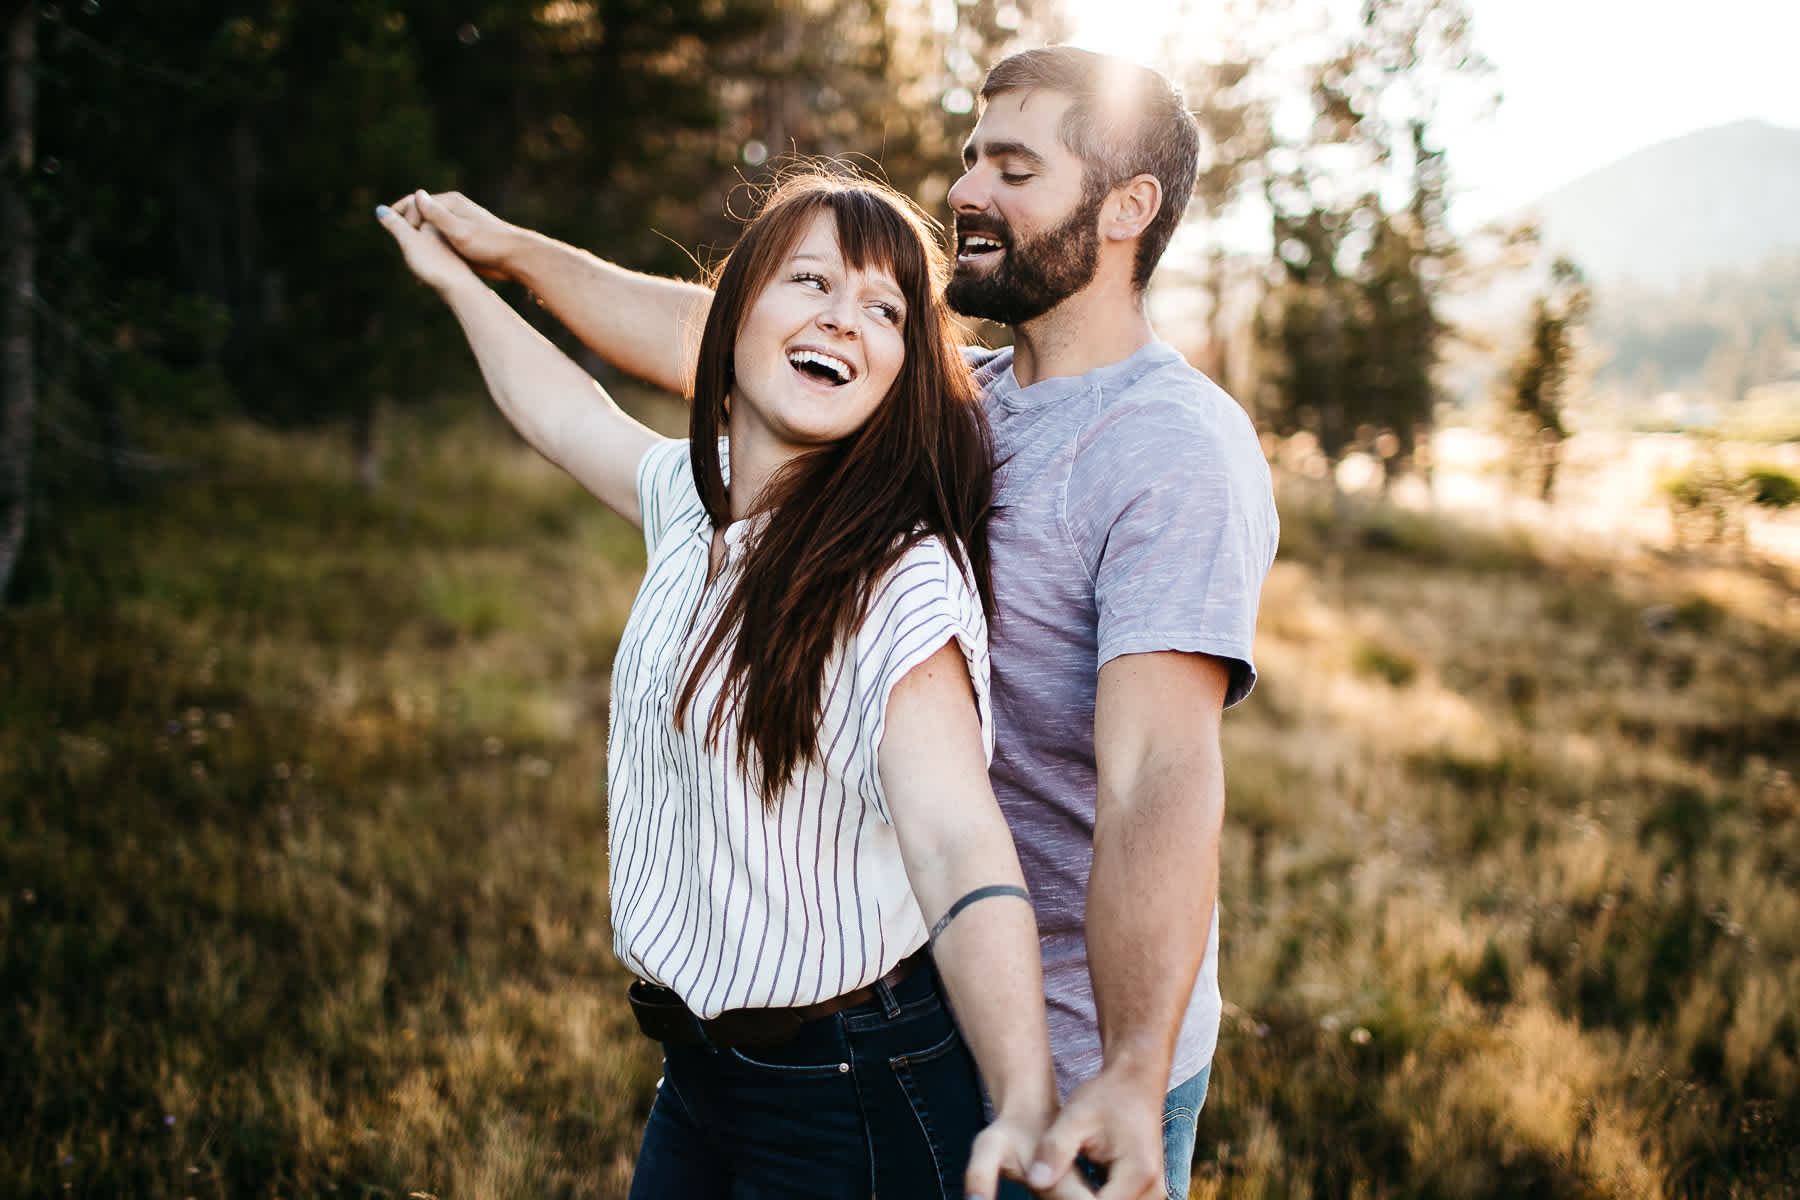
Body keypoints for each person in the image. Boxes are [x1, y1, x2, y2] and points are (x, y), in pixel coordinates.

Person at [390, 45, 1279, 1200]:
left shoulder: (1172, 448)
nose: (967, 191)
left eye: (1015, 166)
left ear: (1128, 206)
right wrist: (502, 255)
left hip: (1072, 1045)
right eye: (970, 159)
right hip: (909, 1004)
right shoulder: (967, 395)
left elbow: (1161, 771)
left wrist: (1126, 1065)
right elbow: (727, 336)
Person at [376, 169, 1077, 1200]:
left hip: (851, 1090)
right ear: (734, 313)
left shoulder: (895, 577)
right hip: (701, 1072)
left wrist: (1022, 1094)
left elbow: (958, 846)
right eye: (812, 282)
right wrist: (458, 280)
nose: (846, 320)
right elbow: (567, 414)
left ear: (899, 371)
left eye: (886, 309)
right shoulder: (693, 500)